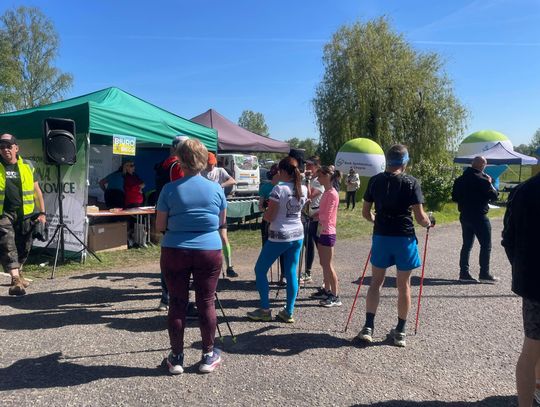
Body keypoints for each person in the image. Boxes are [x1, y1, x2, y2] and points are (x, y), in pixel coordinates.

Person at [156, 138, 226, 375]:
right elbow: (221, 222)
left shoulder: (169, 189)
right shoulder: (216, 189)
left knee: (177, 302)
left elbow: (160, 225)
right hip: (209, 250)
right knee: (206, 301)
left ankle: (176, 357)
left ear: (179, 160)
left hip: (175, 249)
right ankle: (208, 355)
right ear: (204, 160)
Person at [355, 144, 433, 347]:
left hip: (382, 236)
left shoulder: (375, 180)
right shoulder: (411, 182)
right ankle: (400, 331)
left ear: (387, 161)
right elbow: (420, 218)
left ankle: (368, 327)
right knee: (403, 285)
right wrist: (429, 222)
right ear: (405, 162)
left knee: (376, 282)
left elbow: (365, 213)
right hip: (404, 238)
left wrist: (376, 220)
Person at [247, 157, 308, 323]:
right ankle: (289, 311)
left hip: (279, 235)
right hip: (297, 234)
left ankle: (265, 310)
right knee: (291, 272)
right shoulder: (303, 188)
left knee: (260, 270)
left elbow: (270, 216)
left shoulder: (278, 189)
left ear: (282, 172)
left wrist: (264, 212)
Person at [501, 172, 540, 407]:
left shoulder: (522, 190)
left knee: (532, 347)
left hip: (534, 283)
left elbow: (508, 238)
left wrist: (522, 270)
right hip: (533, 282)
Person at [0, 133, 47, 296]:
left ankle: (19, 272)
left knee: (24, 246)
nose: (5, 149)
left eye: (8, 146)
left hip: (26, 214)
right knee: (7, 243)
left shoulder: (28, 165)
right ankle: (15, 280)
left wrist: (42, 213)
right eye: (2, 147)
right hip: (3, 214)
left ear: (16, 148)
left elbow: (37, 191)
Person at [452, 156, 499, 283]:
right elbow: (494, 196)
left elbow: (454, 197)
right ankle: (484, 274)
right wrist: (490, 183)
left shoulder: (460, 179)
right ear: (483, 165)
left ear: (472, 164)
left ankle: (464, 273)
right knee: (486, 245)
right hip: (479, 216)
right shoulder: (483, 179)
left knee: (466, 245)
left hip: (465, 215)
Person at [202, 152, 238, 278]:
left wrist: (220, 185)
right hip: (206, 209)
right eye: (208, 164)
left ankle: (229, 266)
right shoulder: (200, 173)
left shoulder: (220, 171)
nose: (211, 166)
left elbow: (233, 180)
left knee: (223, 236)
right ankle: (207, 266)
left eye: (212, 164)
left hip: (220, 208)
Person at [314, 166, 342, 307]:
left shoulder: (332, 194)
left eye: (320, 176)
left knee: (328, 264)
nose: (318, 179)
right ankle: (326, 290)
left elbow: (328, 215)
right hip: (322, 230)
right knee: (323, 263)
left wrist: (318, 216)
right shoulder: (326, 192)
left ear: (327, 177)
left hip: (328, 232)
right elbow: (323, 211)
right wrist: (314, 213)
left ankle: (335, 296)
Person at [258, 164, 285, 284]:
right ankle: (263, 274)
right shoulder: (265, 187)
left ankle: (284, 275)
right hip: (267, 221)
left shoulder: (284, 187)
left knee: (283, 249)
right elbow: (260, 206)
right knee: (266, 248)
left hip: (280, 221)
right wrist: (265, 207)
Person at [303, 156, 324, 284]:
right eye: (306, 165)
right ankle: (308, 272)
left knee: (321, 247)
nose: (307, 167)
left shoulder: (319, 180)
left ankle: (326, 276)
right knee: (308, 244)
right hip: (306, 216)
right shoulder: (306, 179)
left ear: (316, 166)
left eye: (310, 165)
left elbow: (309, 195)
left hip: (317, 218)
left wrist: (308, 180)